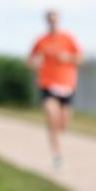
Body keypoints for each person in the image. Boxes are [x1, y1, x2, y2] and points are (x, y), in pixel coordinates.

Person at [28, 10, 83, 170]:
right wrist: (35, 63)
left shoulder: (68, 38)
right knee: (52, 116)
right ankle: (57, 155)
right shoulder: (41, 40)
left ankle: (57, 138)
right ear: (46, 21)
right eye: (49, 20)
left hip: (67, 84)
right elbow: (30, 61)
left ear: (58, 20)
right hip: (47, 84)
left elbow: (81, 58)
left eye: (55, 19)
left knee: (63, 124)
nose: (52, 22)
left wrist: (69, 58)